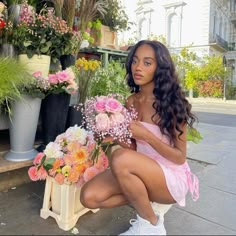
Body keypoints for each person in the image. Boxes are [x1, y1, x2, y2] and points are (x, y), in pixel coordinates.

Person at [80, 40, 199, 235]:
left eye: (147, 62)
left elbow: (179, 157)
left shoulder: (173, 104)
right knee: (89, 197)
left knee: (119, 158)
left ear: (159, 68)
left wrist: (147, 136)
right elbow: (134, 151)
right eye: (135, 61)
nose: (138, 67)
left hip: (170, 177)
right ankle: (144, 202)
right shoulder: (132, 101)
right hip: (140, 170)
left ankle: (151, 224)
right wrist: (114, 137)